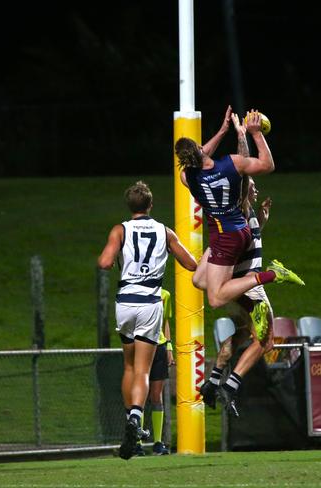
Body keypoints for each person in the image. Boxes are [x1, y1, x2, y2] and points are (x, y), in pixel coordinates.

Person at [175, 107, 303, 328]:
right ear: (200, 149)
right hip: (235, 231)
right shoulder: (232, 163)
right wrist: (254, 133)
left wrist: (222, 132)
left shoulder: (186, 177)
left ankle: (271, 275)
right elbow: (267, 164)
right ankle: (250, 304)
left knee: (215, 299)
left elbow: (198, 156)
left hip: (226, 237)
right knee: (198, 280)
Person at [97, 181, 196, 460]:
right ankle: (135, 421)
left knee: (128, 366)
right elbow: (190, 264)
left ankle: (132, 420)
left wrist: (115, 255)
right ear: (150, 205)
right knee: (143, 370)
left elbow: (104, 262)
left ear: (130, 206)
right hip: (150, 303)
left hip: (125, 302)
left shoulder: (120, 229)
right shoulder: (164, 231)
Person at [199, 176, 277, 417]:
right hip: (248, 284)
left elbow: (248, 242)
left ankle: (212, 382)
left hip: (238, 287)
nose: (256, 190)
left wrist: (261, 223)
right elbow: (242, 181)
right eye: (252, 187)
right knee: (266, 339)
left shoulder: (247, 212)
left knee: (243, 333)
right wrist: (243, 137)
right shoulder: (239, 207)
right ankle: (230, 387)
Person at [134, 288, 174, 456]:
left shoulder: (165, 295)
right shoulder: (134, 292)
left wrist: (169, 347)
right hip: (142, 345)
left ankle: (158, 442)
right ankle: (137, 443)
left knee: (156, 396)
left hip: (159, 347)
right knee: (140, 396)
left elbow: (165, 321)